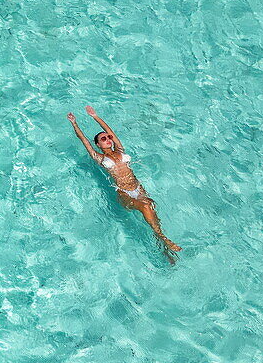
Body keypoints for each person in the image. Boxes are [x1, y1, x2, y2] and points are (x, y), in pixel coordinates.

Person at [68, 106, 182, 263]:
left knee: (151, 208)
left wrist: (96, 116)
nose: (108, 140)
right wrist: (74, 123)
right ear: (98, 145)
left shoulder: (120, 150)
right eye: (103, 139)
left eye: (108, 138)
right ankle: (163, 238)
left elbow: (111, 131)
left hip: (138, 188)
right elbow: (84, 140)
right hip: (124, 193)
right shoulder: (99, 157)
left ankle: (164, 250)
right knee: (146, 206)